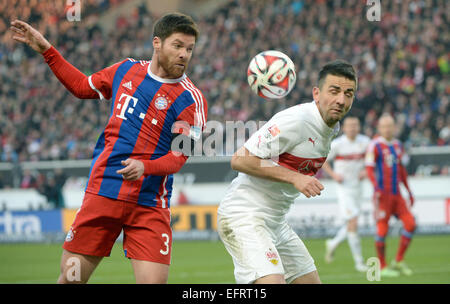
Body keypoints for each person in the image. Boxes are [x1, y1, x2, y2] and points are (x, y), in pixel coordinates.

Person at [10, 12, 207, 284]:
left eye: (190, 49)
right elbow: (81, 86)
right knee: (71, 280)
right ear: (157, 43)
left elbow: (178, 158)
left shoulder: (191, 100)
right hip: (103, 194)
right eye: (178, 46)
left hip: (149, 206)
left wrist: (145, 167)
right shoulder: (126, 70)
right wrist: (47, 50)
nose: (184, 54)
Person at [217, 60, 358, 284]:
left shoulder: (332, 128)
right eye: (334, 91)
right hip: (244, 215)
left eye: (348, 93)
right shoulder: (298, 120)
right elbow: (241, 159)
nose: (341, 100)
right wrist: (295, 177)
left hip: (276, 223)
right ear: (317, 93)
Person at [365, 114, 415, 278]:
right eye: (384, 126)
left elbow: (401, 170)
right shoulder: (375, 145)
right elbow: (370, 169)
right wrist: (377, 188)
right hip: (383, 195)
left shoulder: (398, 145)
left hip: (397, 194)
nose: (388, 129)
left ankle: (398, 260)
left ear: (394, 127)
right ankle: (383, 266)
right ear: (379, 128)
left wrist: (408, 191)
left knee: (410, 224)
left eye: (390, 126)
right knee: (382, 229)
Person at [321, 117, 370, 272]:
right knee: (354, 222)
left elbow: (372, 160)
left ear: (359, 127)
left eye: (355, 125)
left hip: (359, 188)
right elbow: (323, 160)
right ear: (344, 128)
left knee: (351, 223)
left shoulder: (365, 142)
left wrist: (366, 171)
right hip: (344, 189)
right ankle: (359, 262)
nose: (353, 128)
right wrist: (334, 175)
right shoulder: (338, 144)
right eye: (350, 125)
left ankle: (333, 243)